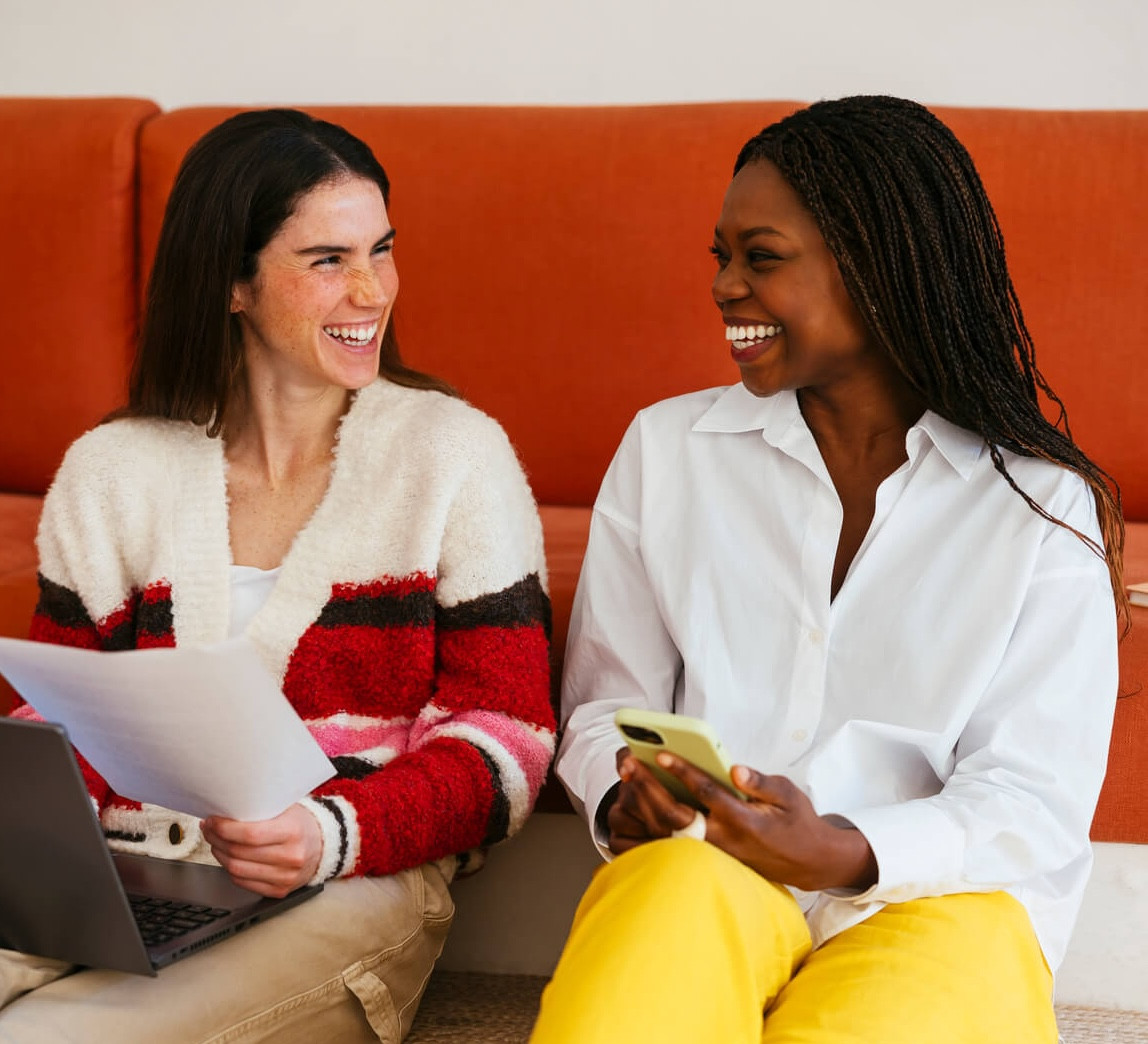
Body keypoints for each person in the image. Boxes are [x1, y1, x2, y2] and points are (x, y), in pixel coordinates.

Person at [532, 95, 1123, 1043]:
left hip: (942, 897)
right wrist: (624, 790)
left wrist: (839, 850)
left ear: (879, 271)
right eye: (720, 257)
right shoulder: (667, 449)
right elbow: (608, 703)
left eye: (760, 258)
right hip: (703, 868)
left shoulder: (1039, 507)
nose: (725, 286)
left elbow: (1029, 803)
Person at [0, 108, 555, 1042]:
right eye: (328, 260)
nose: (373, 289)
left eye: (381, 250)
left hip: (353, 881)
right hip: (125, 865)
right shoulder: (113, 468)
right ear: (233, 284)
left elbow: (508, 743)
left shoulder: (454, 456)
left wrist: (328, 833)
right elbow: (48, 725)